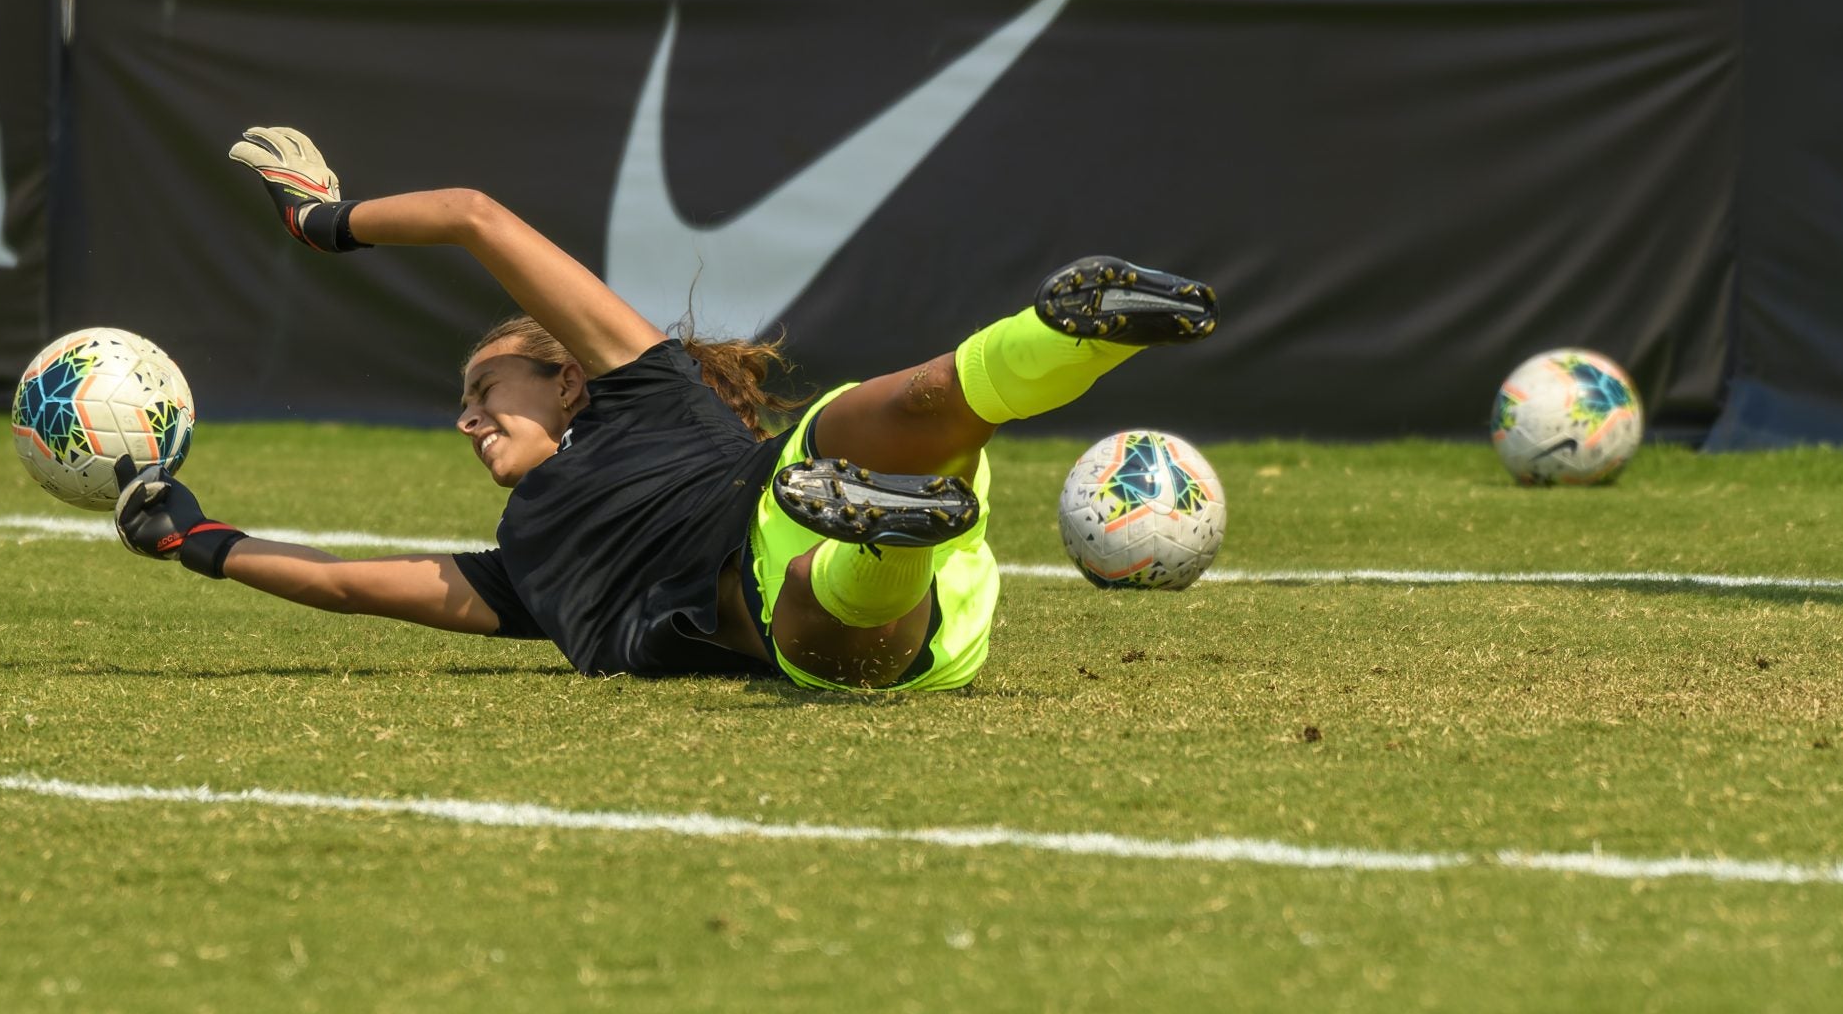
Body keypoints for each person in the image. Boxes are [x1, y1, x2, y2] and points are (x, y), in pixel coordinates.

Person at [112, 127, 1217, 692]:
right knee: (813, 608)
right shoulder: (521, 566)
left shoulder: (647, 391)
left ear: (569, 381)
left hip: (788, 487)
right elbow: (349, 586)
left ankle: (1073, 329)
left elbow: (474, 217)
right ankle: (888, 526)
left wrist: (326, 223)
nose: (465, 419)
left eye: (483, 388)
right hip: (836, 595)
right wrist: (200, 540)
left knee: (910, 403)